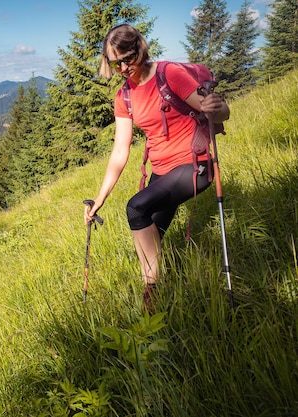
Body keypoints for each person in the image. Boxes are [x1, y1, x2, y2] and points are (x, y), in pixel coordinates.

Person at [84, 24, 230, 308]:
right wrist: (99, 199)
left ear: (140, 48)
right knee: (151, 235)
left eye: (128, 58)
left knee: (136, 208)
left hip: (194, 165)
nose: (124, 68)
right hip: (161, 173)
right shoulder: (124, 97)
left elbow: (215, 110)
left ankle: (152, 293)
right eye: (116, 64)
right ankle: (165, 293)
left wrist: (220, 107)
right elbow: (119, 151)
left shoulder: (170, 75)